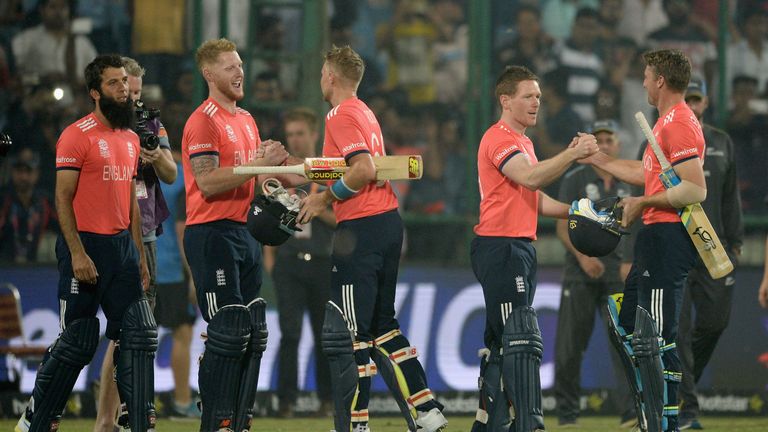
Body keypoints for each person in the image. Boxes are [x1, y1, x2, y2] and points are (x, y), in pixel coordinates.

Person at [298, 45, 447, 432]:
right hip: (386, 222)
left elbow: (361, 169)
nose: (320, 80)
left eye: (321, 73)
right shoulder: (365, 112)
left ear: (330, 76)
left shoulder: (339, 114)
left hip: (360, 229)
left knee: (354, 333)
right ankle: (426, 408)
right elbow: (352, 166)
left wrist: (324, 199)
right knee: (384, 325)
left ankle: (356, 423)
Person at [16, 54, 157, 432]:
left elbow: (129, 201)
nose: (123, 89)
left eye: (125, 82)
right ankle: (38, 419)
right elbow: (62, 198)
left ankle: (139, 423)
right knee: (77, 341)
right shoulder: (76, 135)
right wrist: (76, 252)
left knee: (140, 335)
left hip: (122, 250)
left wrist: (139, 254)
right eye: (114, 83)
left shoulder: (130, 138)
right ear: (95, 92)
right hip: (85, 247)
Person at [467, 65, 599, 432]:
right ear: (505, 100)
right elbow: (530, 177)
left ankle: (489, 425)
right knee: (519, 338)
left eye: (539, 96)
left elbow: (533, 197)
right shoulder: (499, 138)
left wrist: (578, 211)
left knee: (501, 342)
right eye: (528, 95)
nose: (536, 102)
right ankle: (527, 422)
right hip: (501, 247)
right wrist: (573, 154)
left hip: (517, 246)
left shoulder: (523, 142)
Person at [584, 49, 706, 432]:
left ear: (660, 82)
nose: (642, 83)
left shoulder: (679, 123)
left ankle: (664, 422)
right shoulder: (665, 122)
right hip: (655, 236)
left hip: (668, 236)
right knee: (626, 324)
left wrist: (642, 203)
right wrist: (598, 160)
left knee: (657, 336)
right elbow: (646, 173)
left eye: (646, 76)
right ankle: (651, 410)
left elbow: (694, 189)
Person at [182, 38, 289, 432]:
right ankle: (215, 419)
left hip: (245, 233)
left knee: (252, 334)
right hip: (212, 233)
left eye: (240, 64)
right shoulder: (203, 121)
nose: (239, 72)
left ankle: (239, 419)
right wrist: (259, 164)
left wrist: (323, 173)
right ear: (209, 75)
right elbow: (207, 182)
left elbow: (266, 176)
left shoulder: (245, 119)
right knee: (228, 331)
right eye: (229, 67)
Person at [93, 56, 178, 432]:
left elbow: (173, 174)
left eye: (139, 94)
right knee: (121, 329)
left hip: (145, 231)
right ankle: (109, 416)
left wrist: (156, 155)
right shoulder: (105, 126)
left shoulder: (150, 125)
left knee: (138, 330)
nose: (134, 101)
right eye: (129, 92)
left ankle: (125, 412)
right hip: (111, 232)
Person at [553, 119, 635, 428]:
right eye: (598, 138)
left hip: (618, 273)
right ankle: (567, 415)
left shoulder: (629, 179)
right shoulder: (575, 178)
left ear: (618, 144)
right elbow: (563, 225)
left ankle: (630, 412)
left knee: (624, 345)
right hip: (580, 273)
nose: (604, 143)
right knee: (569, 347)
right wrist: (583, 257)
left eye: (609, 139)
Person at [677, 77, 743, 430]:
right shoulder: (659, 140)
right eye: (686, 98)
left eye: (697, 99)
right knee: (678, 328)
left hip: (713, 246)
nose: (691, 104)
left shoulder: (721, 142)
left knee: (716, 322)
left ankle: (680, 383)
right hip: (676, 244)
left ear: (705, 103)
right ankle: (687, 410)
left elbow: (731, 197)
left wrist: (736, 242)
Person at [263, 107, 334, 419]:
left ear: (314, 134)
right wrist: (269, 256)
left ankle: (327, 400)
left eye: (300, 133)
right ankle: (286, 401)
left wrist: (317, 207)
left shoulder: (330, 170)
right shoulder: (282, 173)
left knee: (324, 335)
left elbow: (341, 217)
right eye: (290, 134)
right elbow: (266, 218)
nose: (294, 139)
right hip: (288, 260)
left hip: (321, 259)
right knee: (290, 332)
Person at [0, 148, 58, 264]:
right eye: (19, 171)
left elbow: (63, 227)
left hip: (32, 269)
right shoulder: (3, 200)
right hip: (4, 268)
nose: (24, 177)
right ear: (12, 172)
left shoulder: (44, 202)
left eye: (28, 171)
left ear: (37, 173)